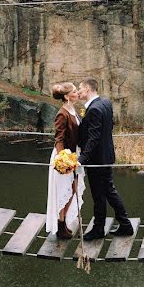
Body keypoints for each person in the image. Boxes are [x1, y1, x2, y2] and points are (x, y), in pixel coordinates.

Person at [77, 77, 133, 240]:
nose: (79, 91)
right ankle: (121, 225)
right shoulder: (105, 103)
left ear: (87, 89)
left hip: (97, 160)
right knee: (108, 191)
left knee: (100, 194)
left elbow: (94, 137)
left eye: (80, 88)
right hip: (106, 155)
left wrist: (82, 159)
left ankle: (103, 228)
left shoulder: (94, 109)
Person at [46, 82, 85, 238]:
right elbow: (59, 138)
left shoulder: (72, 109)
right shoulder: (62, 113)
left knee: (73, 189)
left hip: (74, 155)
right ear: (68, 96)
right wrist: (62, 158)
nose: (77, 93)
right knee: (65, 190)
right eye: (75, 91)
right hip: (64, 157)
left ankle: (63, 221)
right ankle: (60, 224)